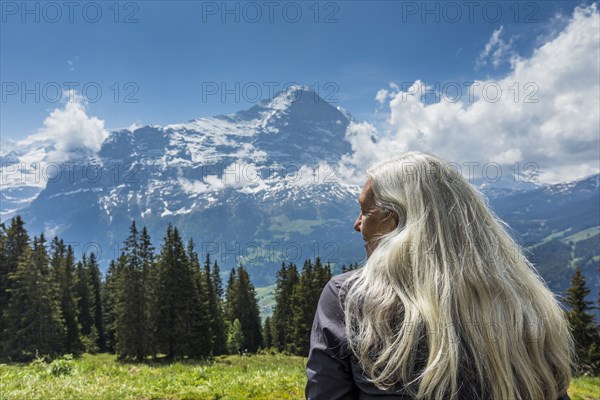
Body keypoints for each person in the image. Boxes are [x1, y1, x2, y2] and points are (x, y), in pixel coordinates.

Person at [305, 152, 574, 400]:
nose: (357, 224)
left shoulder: (348, 299)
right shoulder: (526, 304)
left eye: (365, 211)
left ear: (396, 221)